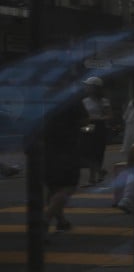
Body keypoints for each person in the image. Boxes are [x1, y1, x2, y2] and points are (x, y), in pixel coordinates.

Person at [44, 96, 89, 233]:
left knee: (54, 188)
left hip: (46, 148)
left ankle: (61, 221)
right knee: (68, 187)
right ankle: (44, 221)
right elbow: (85, 120)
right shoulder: (71, 98)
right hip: (67, 148)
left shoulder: (44, 96)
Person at [81, 76, 112, 185]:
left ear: (95, 88)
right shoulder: (84, 101)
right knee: (86, 151)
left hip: (99, 127)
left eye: (88, 86)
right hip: (87, 127)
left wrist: (95, 119)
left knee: (97, 151)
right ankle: (100, 171)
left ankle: (92, 177)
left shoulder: (104, 101)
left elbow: (109, 116)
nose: (86, 88)